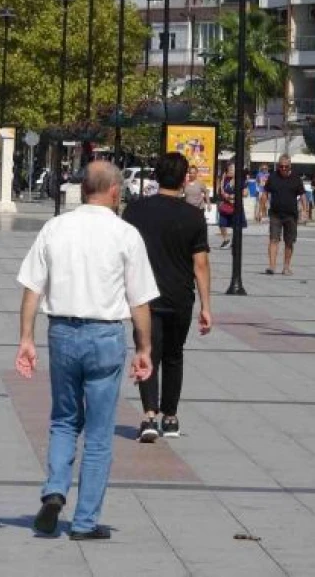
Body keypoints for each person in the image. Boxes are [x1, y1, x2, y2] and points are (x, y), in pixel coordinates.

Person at [15, 161, 158, 540]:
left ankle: (55, 490)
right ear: (114, 191)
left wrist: (26, 339)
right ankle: (84, 521)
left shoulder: (55, 228)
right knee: (98, 431)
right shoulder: (126, 234)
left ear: (82, 189)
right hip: (104, 336)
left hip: (62, 331)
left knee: (64, 419)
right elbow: (139, 300)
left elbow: (32, 288)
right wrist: (144, 348)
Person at [122, 153, 213, 443]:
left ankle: (148, 417)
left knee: (146, 353)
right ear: (186, 178)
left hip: (143, 298)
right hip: (180, 297)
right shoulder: (194, 216)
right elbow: (200, 264)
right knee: (175, 356)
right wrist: (206, 306)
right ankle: (170, 418)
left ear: (155, 176)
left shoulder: (135, 212)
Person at [260, 154, 308, 276]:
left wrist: (305, 211)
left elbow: (302, 195)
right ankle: (271, 266)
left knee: (289, 242)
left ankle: (286, 267)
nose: (283, 169)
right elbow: (265, 193)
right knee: (273, 239)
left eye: (286, 167)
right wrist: (261, 210)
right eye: (281, 166)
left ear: (290, 166)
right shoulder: (273, 177)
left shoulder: (296, 178)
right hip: (275, 214)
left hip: (291, 215)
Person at [216, 163, 247, 249]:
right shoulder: (225, 179)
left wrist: (233, 196)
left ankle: (235, 241)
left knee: (236, 225)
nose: (230, 171)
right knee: (221, 223)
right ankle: (226, 240)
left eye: (232, 169)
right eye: (229, 169)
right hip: (226, 205)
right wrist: (222, 178)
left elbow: (245, 193)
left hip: (236, 206)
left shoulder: (241, 180)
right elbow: (220, 190)